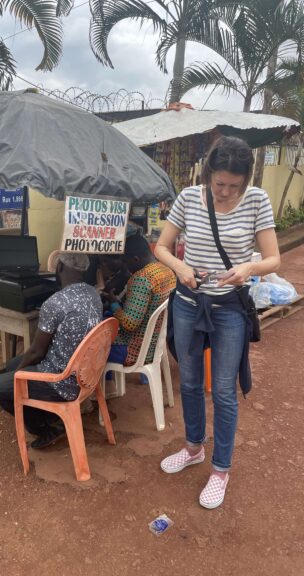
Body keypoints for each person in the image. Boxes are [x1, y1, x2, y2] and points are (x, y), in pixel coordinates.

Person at [155, 136, 281, 509]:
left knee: (224, 390)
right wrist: (182, 268)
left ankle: (221, 469)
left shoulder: (257, 200)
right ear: (208, 174)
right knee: (191, 382)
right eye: (219, 183)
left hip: (229, 309)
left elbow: (273, 259)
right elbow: (161, 246)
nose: (225, 192)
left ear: (246, 180)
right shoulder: (189, 198)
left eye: (233, 186)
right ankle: (193, 447)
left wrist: (248, 267)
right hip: (190, 303)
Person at [0, 251, 103, 449]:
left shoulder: (55, 302)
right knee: (11, 364)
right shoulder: (93, 293)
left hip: (64, 381)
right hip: (87, 373)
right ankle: (47, 414)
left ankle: (46, 429)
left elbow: (36, 352)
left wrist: (18, 377)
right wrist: (18, 370)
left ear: (59, 267)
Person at [103, 233, 175, 371]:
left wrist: (113, 303)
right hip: (155, 344)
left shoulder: (141, 279)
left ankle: (103, 387)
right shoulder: (167, 271)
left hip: (134, 350)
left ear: (135, 259)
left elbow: (130, 323)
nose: (124, 265)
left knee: (90, 344)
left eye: (125, 261)